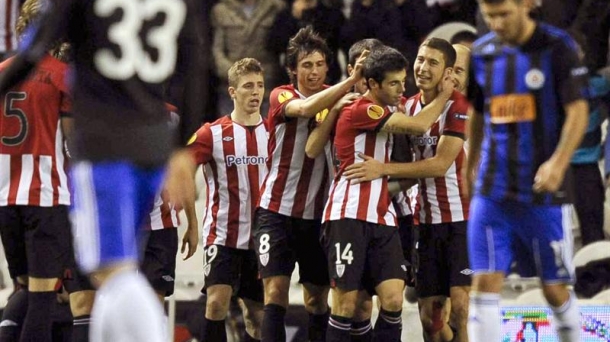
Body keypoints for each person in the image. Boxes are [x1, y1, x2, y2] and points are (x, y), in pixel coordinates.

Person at [0, 0, 205, 341]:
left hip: (103, 144)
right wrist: (182, 147)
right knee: (117, 272)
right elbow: (197, 67)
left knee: (111, 272)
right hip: (154, 141)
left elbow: (33, 51)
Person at [465, 0, 589, 341]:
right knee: (484, 282)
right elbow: (477, 113)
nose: (497, 23)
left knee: (553, 287)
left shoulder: (556, 47)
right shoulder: (482, 53)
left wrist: (558, 163)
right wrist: (469, 161)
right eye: (489, 16)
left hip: (541, 191)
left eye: (503, 14)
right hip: (492, 189)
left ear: (525, 5)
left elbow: (578, 111)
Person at [321, 47, 454, 342]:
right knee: (346, 304)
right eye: (393, 83)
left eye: (403, 82)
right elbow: (421, 124)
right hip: (348, 214)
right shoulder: (361, 108)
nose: (401, 89)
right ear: (372, 84)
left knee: (393, 299)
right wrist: (446, 94)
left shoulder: (392, 108)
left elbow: (411, 114)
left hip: (383, 216)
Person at [254, 26, 368, 342]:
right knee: (275, 291)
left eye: (319, 64)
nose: (314, 71)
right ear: (293, 70)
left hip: (319, 216)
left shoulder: (340, 97)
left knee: (316, 299)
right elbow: (305, 109)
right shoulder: (282, 95)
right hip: (275, 210)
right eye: (306, 65)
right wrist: (350, 82)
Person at [0, 0, 78, 340]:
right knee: (44, 298)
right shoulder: (62, 76)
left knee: (23, 290)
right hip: (45, 198)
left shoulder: (3, 71)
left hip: (5, 197)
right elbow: (74, 144)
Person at [185, 57, 268, 342]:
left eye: (259, 85)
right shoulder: (212, 133)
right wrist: (192, 224)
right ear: (232, 92)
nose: (255, 92)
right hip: (221, 235)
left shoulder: (273, 134)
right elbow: (184, 169)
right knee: (216, 302)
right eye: (248, 86)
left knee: (257, 316)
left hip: (261, 239)